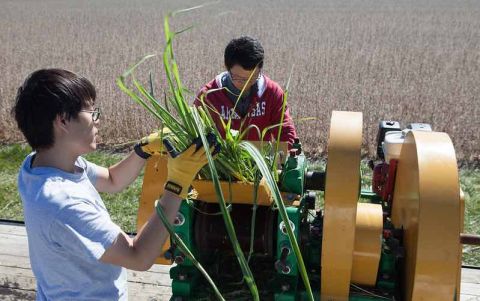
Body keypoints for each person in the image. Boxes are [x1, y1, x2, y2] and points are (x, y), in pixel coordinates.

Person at [13, 68, 216, 300]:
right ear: (63, 120)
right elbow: (138, 256)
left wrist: (143, 149)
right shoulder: (62, 203)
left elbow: (111, 179)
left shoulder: (41, 165)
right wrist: (177, 185)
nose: (98, 120)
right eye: (92, 112)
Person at [194, 36, 297, 146]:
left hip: (260, 160)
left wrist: (289, 156)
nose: (245, 85)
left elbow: (286, 132)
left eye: (252, 78)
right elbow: (195, 134)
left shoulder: (272, 92)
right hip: (221, 161)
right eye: (239, 79)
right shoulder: (208, 97)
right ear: (226, 67)